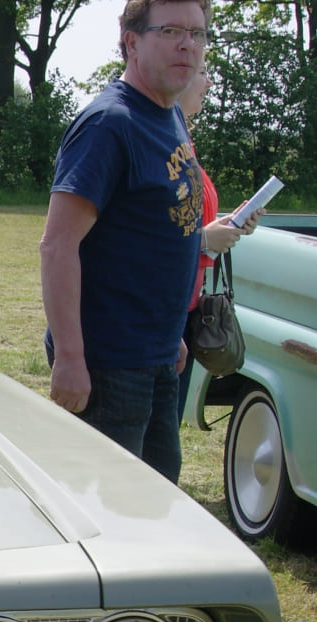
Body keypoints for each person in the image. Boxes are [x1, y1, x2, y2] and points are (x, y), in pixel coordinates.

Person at [39, 0, 210, 483]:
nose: (187, 45)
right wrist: (71, 359)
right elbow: (57, 246)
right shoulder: (110, 125)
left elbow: (155, 236)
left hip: (157, 358)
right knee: (112, 514)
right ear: (132, 41)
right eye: (172, 31)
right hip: (109, 368)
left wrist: (170, 333)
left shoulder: (168, 114)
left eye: (197, 34)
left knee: (156, 504)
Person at [176, 64, 260, 414]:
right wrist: (204, 241)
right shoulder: (156, 138)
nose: (209, 81)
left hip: (183, 306)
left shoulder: (183, 139)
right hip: (161, 311)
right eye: (202, 72)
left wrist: (225, 224)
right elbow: (143, 235)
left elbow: (185, 219)